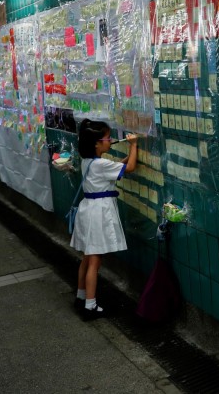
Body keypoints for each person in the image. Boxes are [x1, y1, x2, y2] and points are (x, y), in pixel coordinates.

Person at [70, 119, 138, 320]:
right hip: (98, 213)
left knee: (87, 258)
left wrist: (123, 160)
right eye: (107, 138)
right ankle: (90, 306)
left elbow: (116, 168)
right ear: (96, 144)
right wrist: (134, 145)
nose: (111, 140)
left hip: (88, 210)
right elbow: (131, 168)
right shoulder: (101, 164)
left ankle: (81, 297)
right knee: (95, 260)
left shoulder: (89, 161)